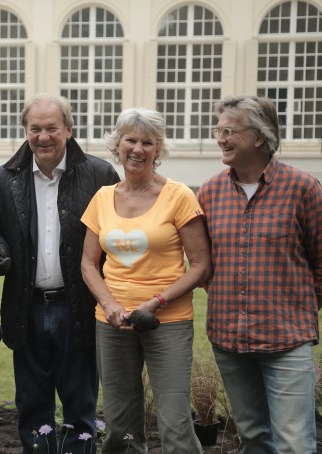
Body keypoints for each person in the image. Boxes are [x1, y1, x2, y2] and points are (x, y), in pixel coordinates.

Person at [197, 95, 322, 453]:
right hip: (228, 342)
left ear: (260, 136)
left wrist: (294, 315)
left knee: (294, 443)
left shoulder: (302, 188)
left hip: (287, 343)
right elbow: (202, 266)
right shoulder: (210, 192)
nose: (220, 138)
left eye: (229, 130)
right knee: (252, 436)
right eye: (218, 129)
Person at [0, 93, 120, 453]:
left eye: (52, 128)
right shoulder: (4, 178)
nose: (43, 137)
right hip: (26, 306)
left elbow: (116, 233)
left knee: (81, 406)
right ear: (26, 131)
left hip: (81, 307)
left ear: (68, 130)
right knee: (32, 407)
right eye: (35, 129)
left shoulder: (100, 175)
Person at [79, 108, 211, 454]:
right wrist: (109, 305)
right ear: (118, 145)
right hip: (113, 322)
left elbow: (200, 265)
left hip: (166, 321)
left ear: (158, 149)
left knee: (174, 420)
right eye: (131, 140)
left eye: (147, 142)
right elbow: (88, 264)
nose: (138, 149)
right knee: (120, 423)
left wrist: (156, 302)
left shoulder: (179, 196)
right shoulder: (102, 198)